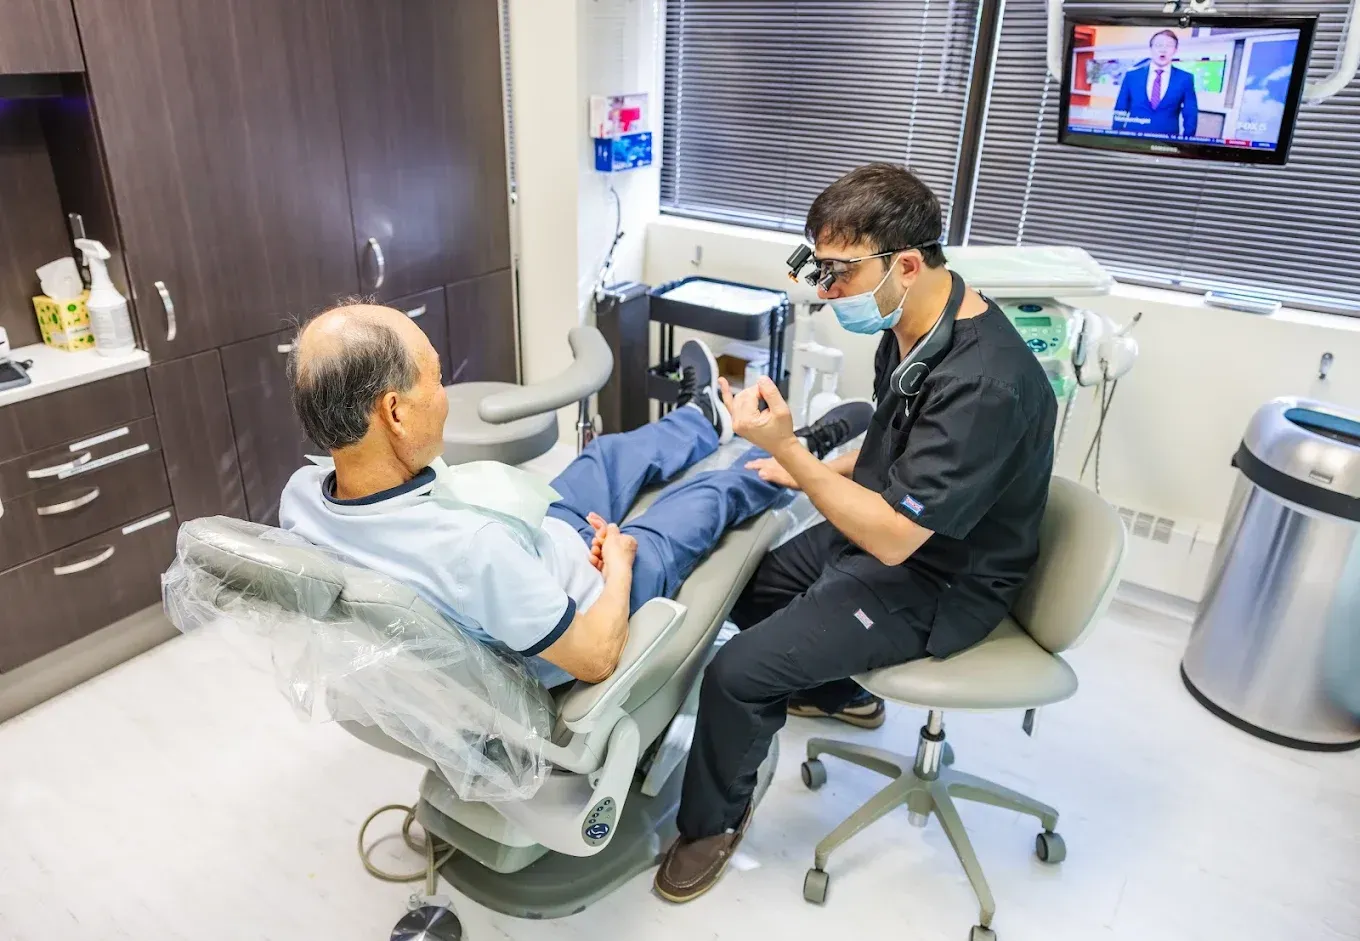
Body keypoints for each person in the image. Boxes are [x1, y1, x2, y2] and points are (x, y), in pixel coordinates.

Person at [653, 163, 1058, 903]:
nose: (826, 290)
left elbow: (899, 540)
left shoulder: (986, 384)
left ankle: (710, 826)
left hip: (941, 580)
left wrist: (791, 454)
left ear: (906, 262)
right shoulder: (914, 324)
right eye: (818, 268)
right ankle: (847, 694)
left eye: (840, 273)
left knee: (736, 674)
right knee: (752, 587)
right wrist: (816, 466)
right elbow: (892, 444)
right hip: (888, 526)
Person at [277, 302, 869, 689]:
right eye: (434, 380)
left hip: (536, 537)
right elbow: (593, 658)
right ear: (395, 413)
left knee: (605, 458)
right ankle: (796, 453)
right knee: (705, 497)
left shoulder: (303, 497)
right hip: (590, 592)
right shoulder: (475, 553)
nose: (445, 396)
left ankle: (702, 416)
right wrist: (618, 567)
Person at [1114, 30, 1199, 138]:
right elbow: (1121, 108)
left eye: (1169, 46)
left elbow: (1190, 113)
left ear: (1175, 50)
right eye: (1158, 45)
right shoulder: (1132, 76)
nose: (1163, 50)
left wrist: (1187, 141)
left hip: (1167, 142)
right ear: (1151, 49)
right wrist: (1116, 136)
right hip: (1133, 138)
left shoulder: (1185, 78)